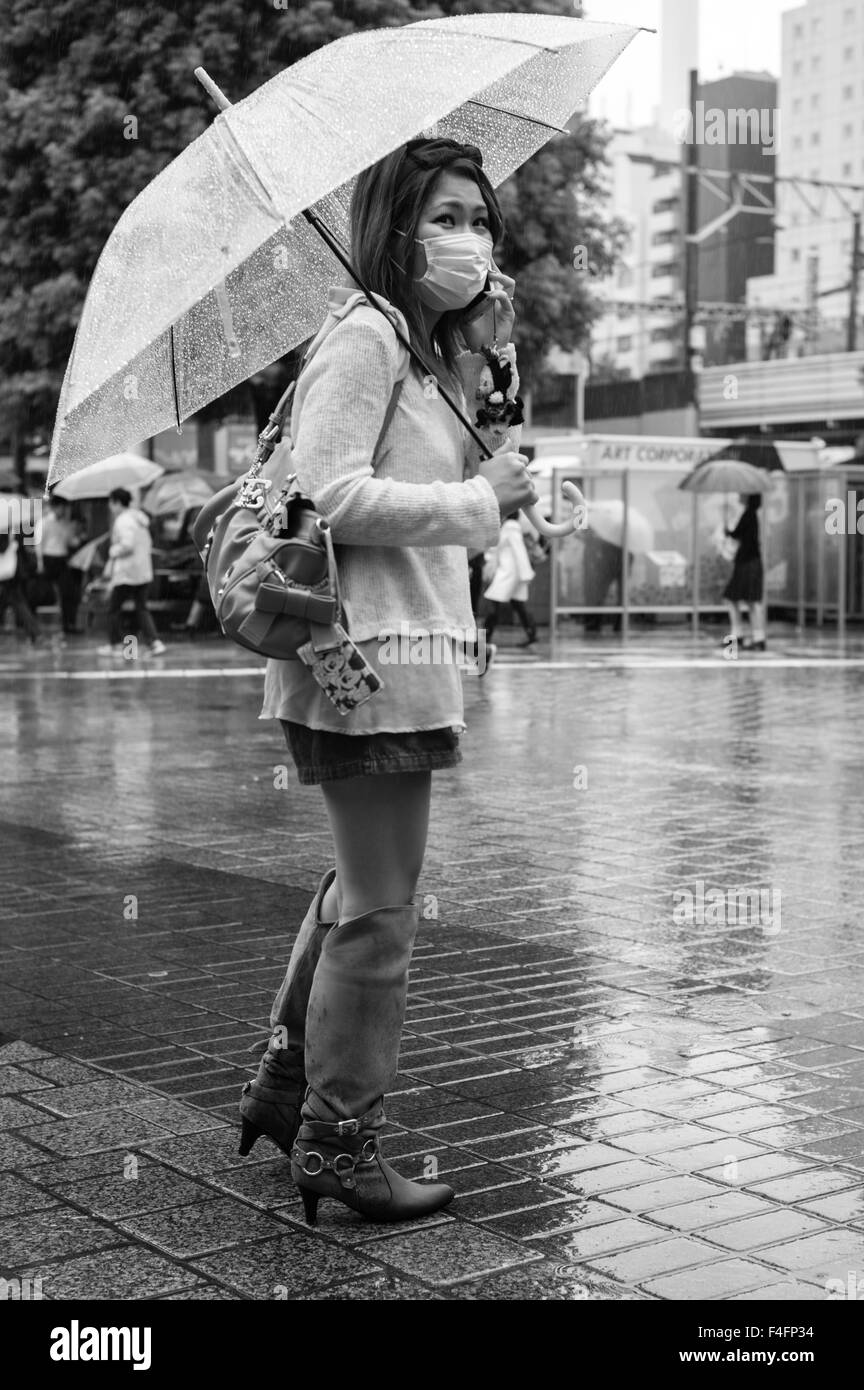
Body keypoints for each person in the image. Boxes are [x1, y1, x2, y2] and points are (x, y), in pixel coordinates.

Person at [237, 136, 537, 1225]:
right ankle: (340, 1144)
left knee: (359, 891)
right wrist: (475, 505)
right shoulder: (362, 336)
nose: (471, 239)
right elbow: (331, 493)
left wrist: (490, 361)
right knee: (382, 910)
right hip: (360, 659)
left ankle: (285, 1083)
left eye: (482, 220)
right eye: (448, 215)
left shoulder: (424, 353)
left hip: (408, 661)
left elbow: (485, 474)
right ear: (396, 225)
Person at [98, 488, 166, 656]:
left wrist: (113, 550)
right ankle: (155, 642)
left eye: (111, 502)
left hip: (127, 574)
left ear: (117, 502)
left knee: (113, 608)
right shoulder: (139, 519)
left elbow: (127, 545)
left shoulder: (124, 521)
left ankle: (115, 644)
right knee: (141, 608)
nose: (110, 506)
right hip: (142, 571)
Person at [477, 511, 538, 669]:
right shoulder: (511, 528)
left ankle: (483, 640)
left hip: (509, 574)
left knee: (494, 604)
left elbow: (518, 551)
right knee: (517, 605)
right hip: (511, 573)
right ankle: (531, 634)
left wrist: (526, 573)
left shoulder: (510, 528)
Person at [723, 493, 766, 652]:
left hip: (747, 563)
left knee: (749, 601)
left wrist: (728, 531)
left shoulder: (749, 515)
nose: (740, 495)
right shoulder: (750, 515)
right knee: (742, 600)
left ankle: (753, 637)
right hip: (748, 562)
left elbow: (737, 534)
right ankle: (746, 636)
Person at [39, 497, 84, 636]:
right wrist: (40, 563)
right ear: (53, 507)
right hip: (48, 559)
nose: (63, 510)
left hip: (62, 560)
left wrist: (79, 536)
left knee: (68, 593)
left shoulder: (67, 524)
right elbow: (38, 544)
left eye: (64, 507)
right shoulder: (44, 522)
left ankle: (68, 624)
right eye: (60, 507)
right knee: (40, 591)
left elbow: (72, 542)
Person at [0, 530, 41, 645]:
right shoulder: (16, 529)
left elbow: (3, 547)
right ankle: (34, 632)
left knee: (18, 601)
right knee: (16, 601)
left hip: (8, 573)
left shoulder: (6, 529)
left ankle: (34, 632)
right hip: (14, 572)